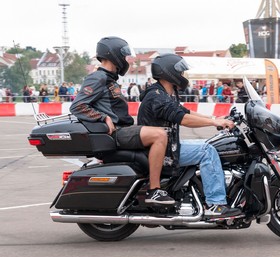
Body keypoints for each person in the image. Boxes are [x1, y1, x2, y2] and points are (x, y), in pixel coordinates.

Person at [70, 36, 171, 205]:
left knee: (164, 132)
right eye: (123, 56)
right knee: (159, 135)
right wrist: (103, 118)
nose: (125, 60)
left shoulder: (109, 79)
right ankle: (154, 190)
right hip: (118, 132)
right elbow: (78, 106)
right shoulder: (98, 78)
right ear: (113, 54)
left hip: (123, 129)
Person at [137, 53, 241, 217]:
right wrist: (215, 123)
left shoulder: (164, 93)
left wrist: (215, 118)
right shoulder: (157, 97)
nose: (182, 75)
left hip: (169, 145)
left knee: (209, 144)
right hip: (162, 151)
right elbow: (183, 119)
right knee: (207, 151)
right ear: (169, 72)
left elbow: (186, 111)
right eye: (180, 72)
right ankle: (216, 204)